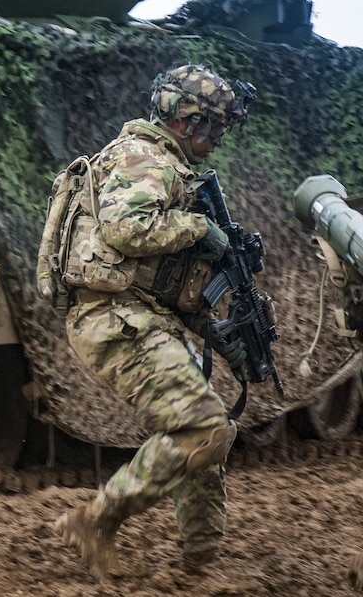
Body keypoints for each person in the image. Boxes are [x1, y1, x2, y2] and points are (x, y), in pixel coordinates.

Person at [51, 64, 253, 578]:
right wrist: (200, 228)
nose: (219, 138)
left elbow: (165, 280)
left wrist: (219, 333)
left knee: (206, 430)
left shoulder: (167, 166)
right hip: (113, 316)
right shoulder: (146, 159)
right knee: (204, 430)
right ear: (190, 121)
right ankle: (94, 520)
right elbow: (126, 230)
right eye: (216, 126)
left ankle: (198, 566)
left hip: (138, 314)